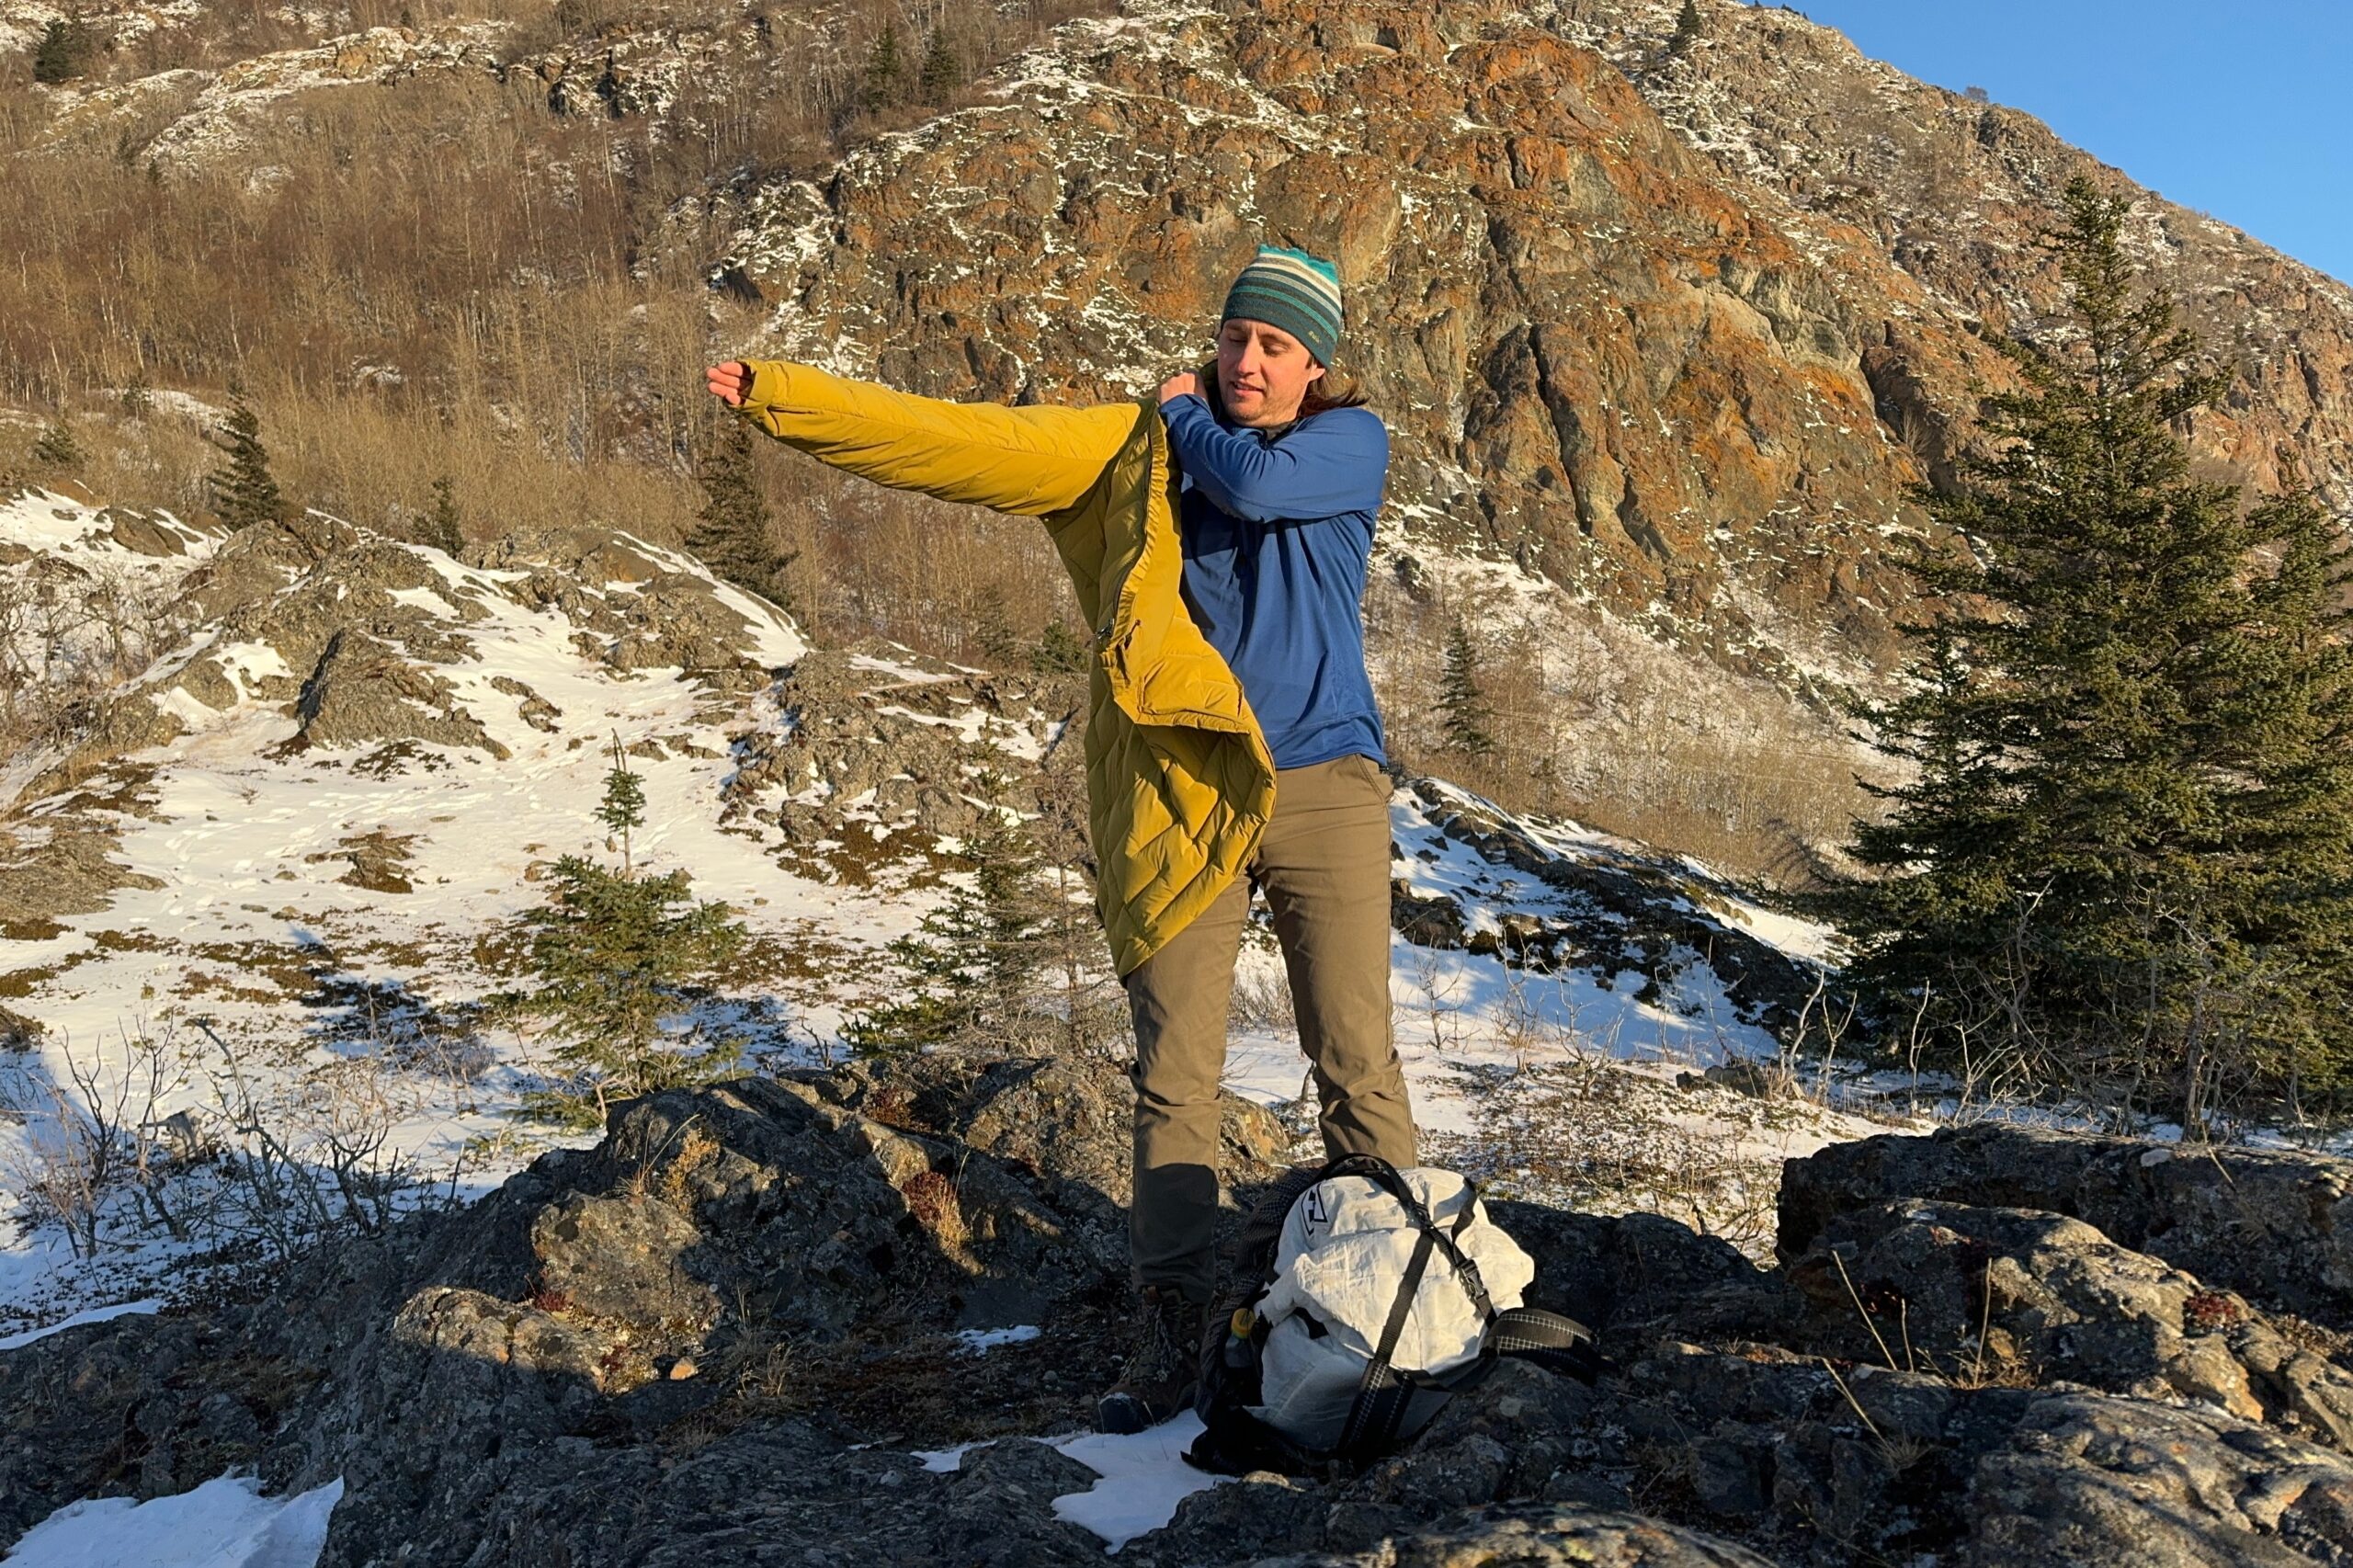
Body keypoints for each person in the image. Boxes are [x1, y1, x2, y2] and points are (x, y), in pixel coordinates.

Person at [705, 244, 1416, 1437]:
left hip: (1327, 789)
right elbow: (964, 444)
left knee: (1355, 1058)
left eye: (1276, 346)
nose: (1249, 359)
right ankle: (1171, 1325)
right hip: (1177, 795)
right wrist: (792, 399)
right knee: (1175, 1077)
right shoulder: (1144, 448)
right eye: (1237, 336)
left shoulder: (1349, 445)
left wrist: (1181, 421)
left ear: (1315, 368)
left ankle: (1396, 1299)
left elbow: (1255, 491)